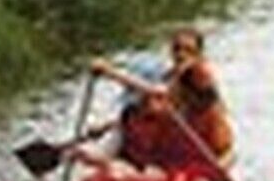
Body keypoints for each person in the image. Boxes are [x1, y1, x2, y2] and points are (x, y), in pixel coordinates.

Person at [87, 25, 235, 173]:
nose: (181, 54)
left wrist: (109, 72)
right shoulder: (167, 77)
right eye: (177, 49)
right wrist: (106, 126)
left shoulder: (199, 75)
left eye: (188, 50)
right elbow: (152, 110)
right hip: (177, 155)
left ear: (199, 54)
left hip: (206, 153)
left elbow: (157, 93)